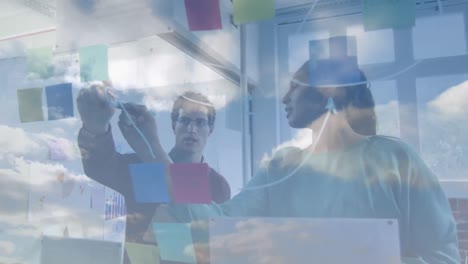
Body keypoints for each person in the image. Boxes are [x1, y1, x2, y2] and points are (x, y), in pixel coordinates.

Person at [158, 60, 460, 263]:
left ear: (326, 94)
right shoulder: (281, 166)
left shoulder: (395, 158)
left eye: (295, 87)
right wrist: (156, 155)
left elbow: (443, 254)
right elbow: (216, 222)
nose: (285, 98)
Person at [76, 86, 231, 262]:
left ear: (210, 128)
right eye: (185, 121)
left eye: (200, 122)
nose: (192, 129)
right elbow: (101, 168)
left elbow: (203, 235)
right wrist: (95, 127)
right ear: (174, 125)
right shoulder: (144, 165)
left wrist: (152, 150)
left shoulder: (216, 185)